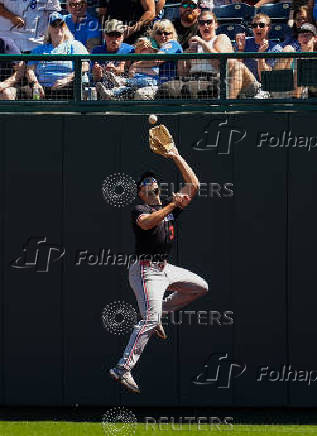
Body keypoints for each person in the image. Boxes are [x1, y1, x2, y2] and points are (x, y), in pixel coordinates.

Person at [109, 144, 208, 394]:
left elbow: (194, 184)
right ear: (141, 194)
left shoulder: (169, 208)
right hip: (145, 271)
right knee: (149, 320)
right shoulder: (140, 209)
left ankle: (160, 312)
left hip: (165, 270)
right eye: (146, 183)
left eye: (153, 181)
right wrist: (172, 206)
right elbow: (146, 223)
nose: (151, 184)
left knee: (199, 287)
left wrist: (175, 155)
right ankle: (123, 368)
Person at [159, 10, 261, 99]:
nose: (205, 26)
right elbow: (183, 74)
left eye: (209, 22)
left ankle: (227, 108)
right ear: (198, 26)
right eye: (202, 23)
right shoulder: (194, 44)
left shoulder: (221, 38)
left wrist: (204, 45)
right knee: (167, 87)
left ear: (216, 25)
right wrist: (186, 56)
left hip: (218, 78)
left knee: (238, 66)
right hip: (196, 79)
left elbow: (220, 64)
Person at [26, 12, 88, 99]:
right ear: (49, 29)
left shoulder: (75, 46)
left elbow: (85, 66)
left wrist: (67, 79)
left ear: (65, 27)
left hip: (67, 87)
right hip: (41, 88)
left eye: (61, 25)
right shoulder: (39, 49)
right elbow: (30, 69)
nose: (58, 28)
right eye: (54, 25)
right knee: (21, 92)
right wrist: (35, 83)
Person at [91, 19, 134, 98]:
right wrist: (98, 73)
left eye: (117, 35)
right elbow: (95, 78)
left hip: (123, 87)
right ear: (104, 35)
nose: (114, 39)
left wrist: (116, 70)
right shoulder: (96, 51)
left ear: (123, 36)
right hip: (102, 86)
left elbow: (131, 73)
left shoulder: (130, 50)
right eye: (111, 35)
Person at [235, 13, 282, 82]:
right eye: (254, 26)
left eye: (261, 25)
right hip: (246, 83)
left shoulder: (275, 49)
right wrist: (241, 49)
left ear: (268, 28)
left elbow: (265, 78)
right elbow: (237, 69)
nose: (258, 28)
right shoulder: (243, 43)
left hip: (264, 86)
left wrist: (261, 54)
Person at [277, 23, 317, 98]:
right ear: (298, 39)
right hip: (290, 96)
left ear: (315, 39)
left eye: (308, 35)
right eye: (301, 35)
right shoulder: (292, 57)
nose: (304, 37)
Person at [149, 19, 183, 84]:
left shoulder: (173, 44)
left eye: (166, 33)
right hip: (159, 82)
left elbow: (158, 59)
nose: (163, 36)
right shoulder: (158, 47)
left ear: (172, 34)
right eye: (159, 33)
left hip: (168, 85)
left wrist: (136, 65)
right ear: (154, 35)